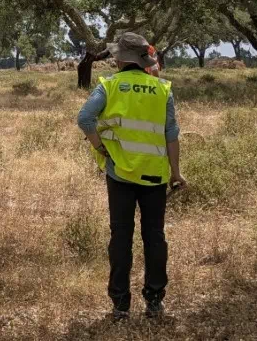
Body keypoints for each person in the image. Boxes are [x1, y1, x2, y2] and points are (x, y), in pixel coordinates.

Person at [77, 32, 186, 320]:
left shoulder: (109, 86)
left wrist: (102, 149)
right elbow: (171, 134)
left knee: (121, 237)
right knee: (155, 237)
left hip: (119, 174)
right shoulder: (163, 89)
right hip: (155, 177)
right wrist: (176, 173)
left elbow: (84, 119)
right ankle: (154, 301)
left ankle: (120, 305)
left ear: (120, 59)